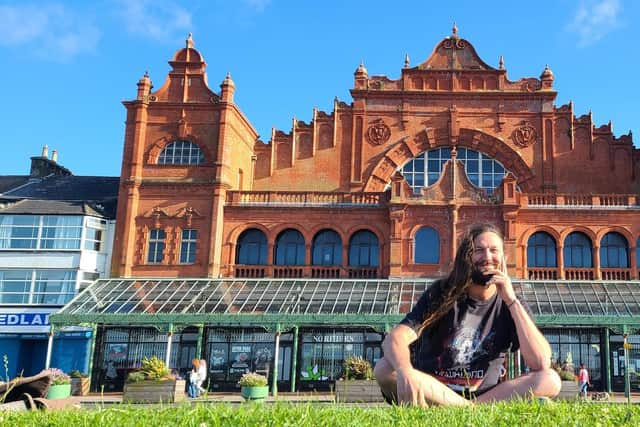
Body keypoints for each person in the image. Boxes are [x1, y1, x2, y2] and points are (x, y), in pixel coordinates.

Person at [374, 223, 561, 406]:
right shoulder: (442, 293)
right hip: (435, 390)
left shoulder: (511, 303)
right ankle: (468, 409)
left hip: (485, 395)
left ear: (503, 258)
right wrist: (405, 370)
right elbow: (395, 338)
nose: (487, 257)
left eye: (494, 250)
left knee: (550, 379)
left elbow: (541, 362)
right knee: (384, 368)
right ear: (467, 257)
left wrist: (511, 300)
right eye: (479, 250)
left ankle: (464, 408)